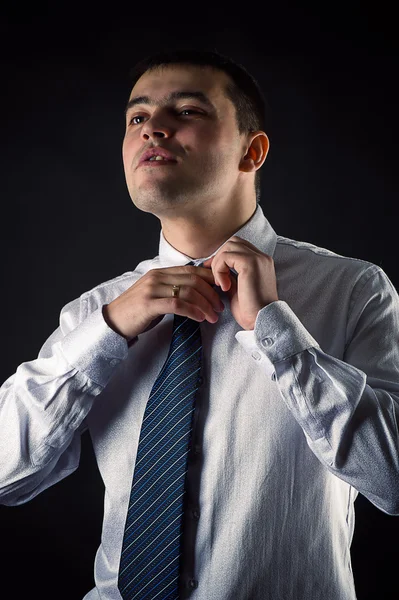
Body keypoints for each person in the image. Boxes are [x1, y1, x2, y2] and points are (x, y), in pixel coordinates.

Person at [1, 48, 398, 600]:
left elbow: (393, 480)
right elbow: (6, 477)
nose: (153, 130)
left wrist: (276, 333)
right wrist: (107, 333)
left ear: (251, 151)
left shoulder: (353, 291)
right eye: (137, 118)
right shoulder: (95, 313)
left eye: (186, 112)